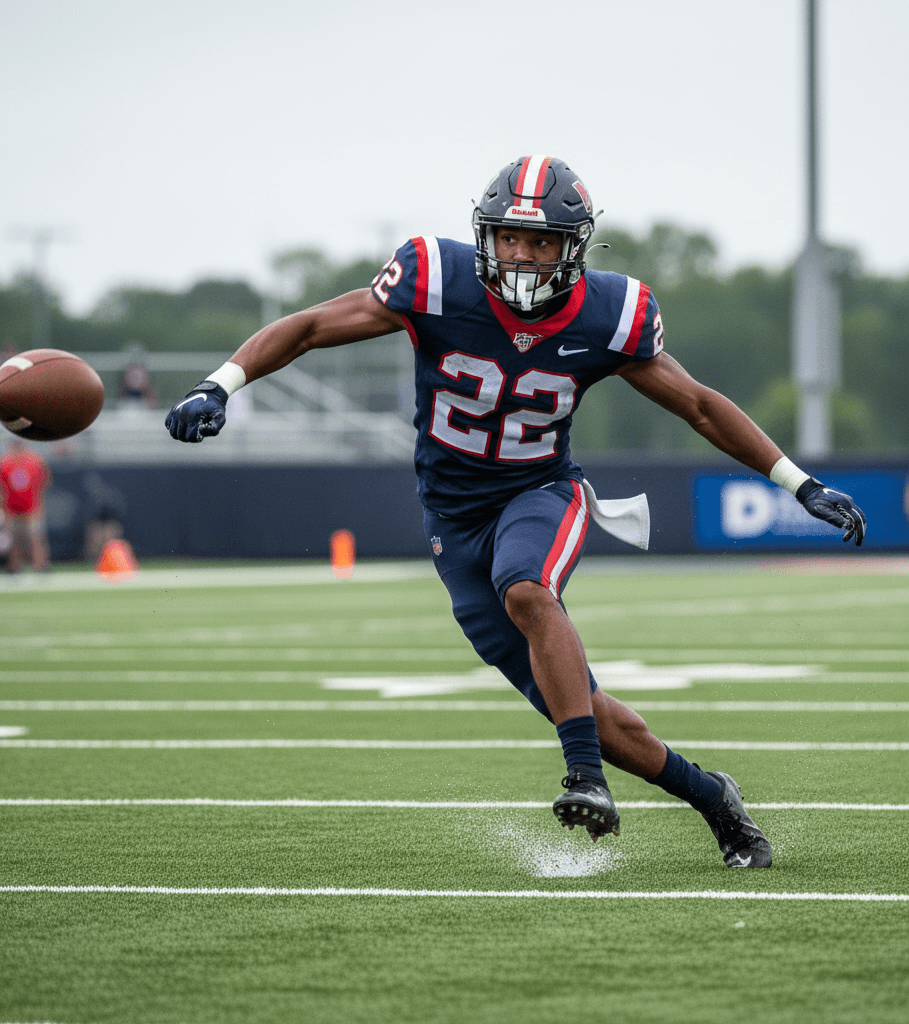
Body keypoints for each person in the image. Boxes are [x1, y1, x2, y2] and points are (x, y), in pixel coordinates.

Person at [165, 156, 866, 869]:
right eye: (508, 237)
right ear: (485, 236)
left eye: (540, 241)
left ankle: (583, 778)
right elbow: (312, 327)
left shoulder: (607, 313)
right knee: (588, 711)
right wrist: (219, 385)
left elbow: (700, 406)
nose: (522, 255)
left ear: (574, 247)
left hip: (540, 492)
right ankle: (714, 798)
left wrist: (798, 483)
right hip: (452, 521)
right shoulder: (436, 280)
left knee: (528, 588)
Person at [0, 437, 52, 573]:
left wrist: (38, 501)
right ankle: (15, 567)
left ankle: (41, 566)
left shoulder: (35, 461)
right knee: (14, 539)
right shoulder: (3, 462)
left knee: (35, 537)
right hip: (11, 508)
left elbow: (44, 482)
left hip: (32, 508)